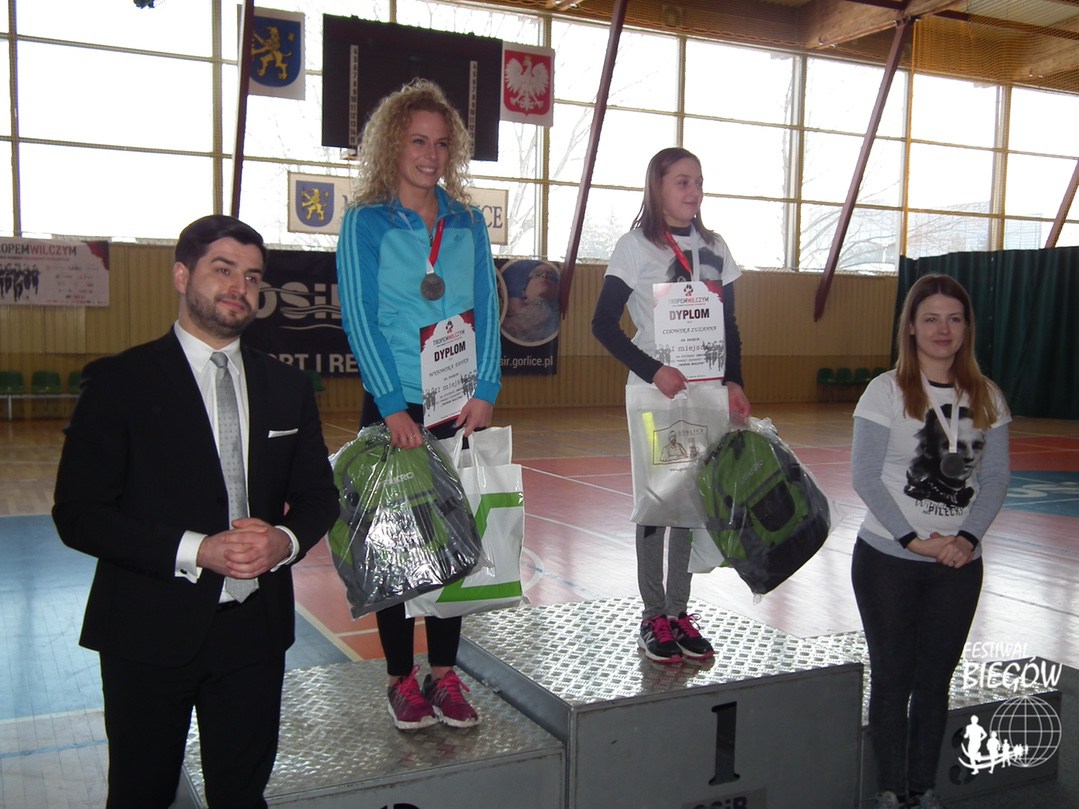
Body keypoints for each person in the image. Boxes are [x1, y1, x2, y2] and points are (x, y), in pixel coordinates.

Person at [52, 215, 340, 809]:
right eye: (223, 269)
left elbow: (319, 496)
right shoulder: (119, 382)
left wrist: (283, 541)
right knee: (141, 793)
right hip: (146, 626)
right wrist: (197, 549)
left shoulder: (288, 387)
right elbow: (78, 513)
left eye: (252, 276)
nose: (240, 287)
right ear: (182, 276)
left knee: (242, 794)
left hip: (254, 631)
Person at [336, 79, 501, 730]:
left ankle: (445, 672)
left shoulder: (466, 221)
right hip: (395, 405)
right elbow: (359, 317)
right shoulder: (365, 221)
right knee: (395, 544)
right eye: (417, 141)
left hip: (456, 401)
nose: (430, 155)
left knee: (453, 540)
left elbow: (487, 307)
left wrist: (486, 387)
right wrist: (390, 405)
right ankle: (400, 677)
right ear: (392, 145)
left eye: (440, 143)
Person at [851, 274, 1010, 809]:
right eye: (931, 319)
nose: (944, 329)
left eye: (954, 319)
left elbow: (996, 479)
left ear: (966, 328)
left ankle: (924, 788)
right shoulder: (885, 391)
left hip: (958, 564)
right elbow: (865, 476)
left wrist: (965, 539)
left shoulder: (987, 395)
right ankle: (890, 791)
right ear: (912, 329)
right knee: (892, 677)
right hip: (887, 559)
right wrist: (913, 540)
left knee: (935, 681)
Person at [592, 146, 751, 664]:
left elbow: (728, 326)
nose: (694, 191)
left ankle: (680, 612)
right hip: (656, 392)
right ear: (657, 187)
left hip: (706, 392)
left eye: (699, 181)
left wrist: (734, 382)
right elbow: (602, 325)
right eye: (682, 181)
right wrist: (652, 369)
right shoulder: (635, 246)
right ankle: (653, 614)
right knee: (658, 501)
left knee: (691, 500)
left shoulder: (715, 248)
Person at [502, 260, 560, 343]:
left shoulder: (557, 321)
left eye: (551, 276)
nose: (544, 276)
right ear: (524, 290)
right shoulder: (507, 320)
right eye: (537, 274)